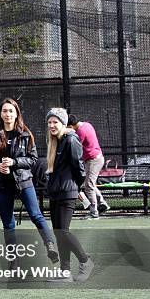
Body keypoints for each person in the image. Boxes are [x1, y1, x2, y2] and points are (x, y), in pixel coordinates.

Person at [0, 98, 58, 269]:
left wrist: (14, 162)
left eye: (11, 111)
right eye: (4, 111)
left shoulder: (25, 134)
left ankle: (50, 246)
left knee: (36, 215)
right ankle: (13, 262)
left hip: (23, 181)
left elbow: (32, 159)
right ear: (0, 114)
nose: (8, 114)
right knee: (8, 223)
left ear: (16, 113)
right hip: (2, 185)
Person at [45, 108, 93, 282]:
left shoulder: (71, 139)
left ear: (63, 123)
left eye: (55, 122)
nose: (52, 125)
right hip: (56, 193)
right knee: (58, 233)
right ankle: (65, 272)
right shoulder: (54, 141)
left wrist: (77, 188)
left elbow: (78, 167)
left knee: (63, 231)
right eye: (49, 122)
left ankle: (85, 261)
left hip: (68, 192)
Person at [67, 114, 110, 219]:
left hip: (93, 160)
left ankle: (94, 212)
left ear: (71, 126)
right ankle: (102, 203)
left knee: (88, 186)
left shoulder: (80, 131)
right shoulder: (87, 124)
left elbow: (76, 145)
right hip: (96, 158)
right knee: (90, 184)